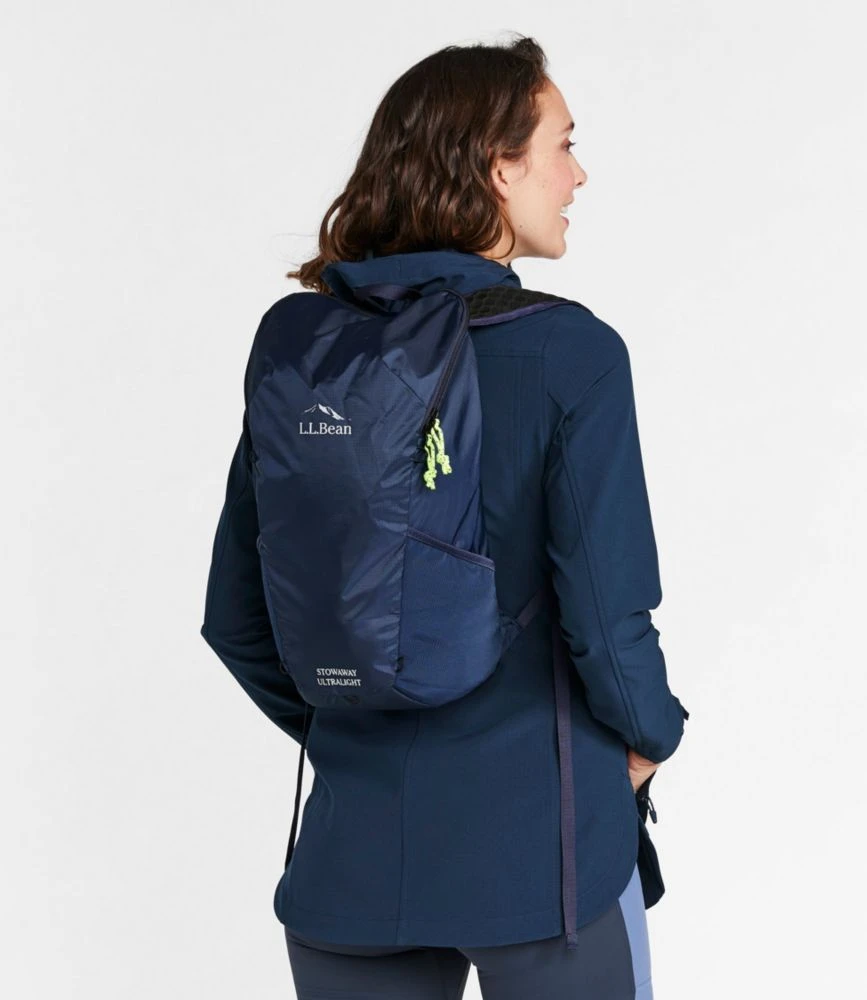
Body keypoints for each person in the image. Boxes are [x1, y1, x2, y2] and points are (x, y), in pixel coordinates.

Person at [199, 33, 688, 1000]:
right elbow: (605, 614)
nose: (577, 175)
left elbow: (238, 617)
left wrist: (354, 722)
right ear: (498, 167)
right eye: (562, 145)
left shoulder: (305, 352)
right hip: (545, 868)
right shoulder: (570, 354)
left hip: (350, 868)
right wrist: (652, 737)